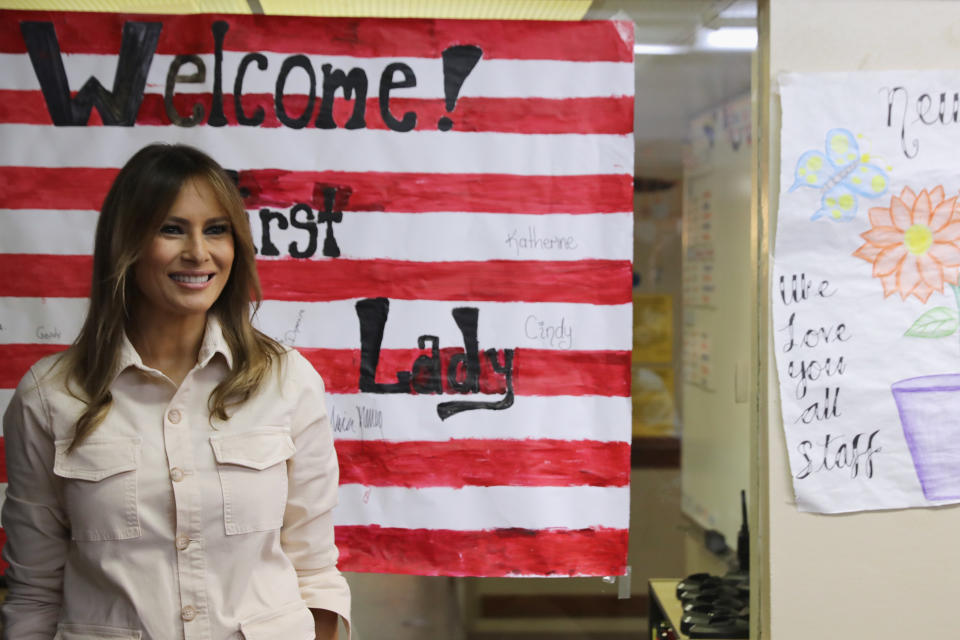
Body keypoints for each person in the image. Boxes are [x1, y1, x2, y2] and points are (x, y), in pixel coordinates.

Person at [1, 143, 350, 639]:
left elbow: (315, 576)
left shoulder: (288, 381)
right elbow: (34, 593)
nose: (198, 253)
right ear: (127, 243)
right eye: (171, 228)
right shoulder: (48, 396)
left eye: (216, 230)